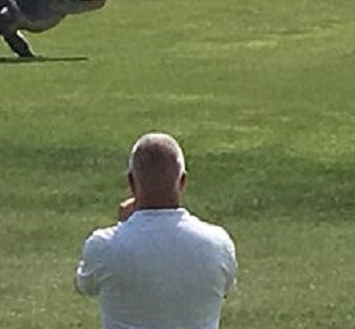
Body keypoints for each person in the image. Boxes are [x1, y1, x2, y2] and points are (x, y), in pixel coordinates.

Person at [75, 132, 237, 329]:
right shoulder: (218, 244)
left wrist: (124, 226)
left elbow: (84, 285)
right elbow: (226, 288)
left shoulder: (103, 246)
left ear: (131, 182)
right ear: (182, 182)